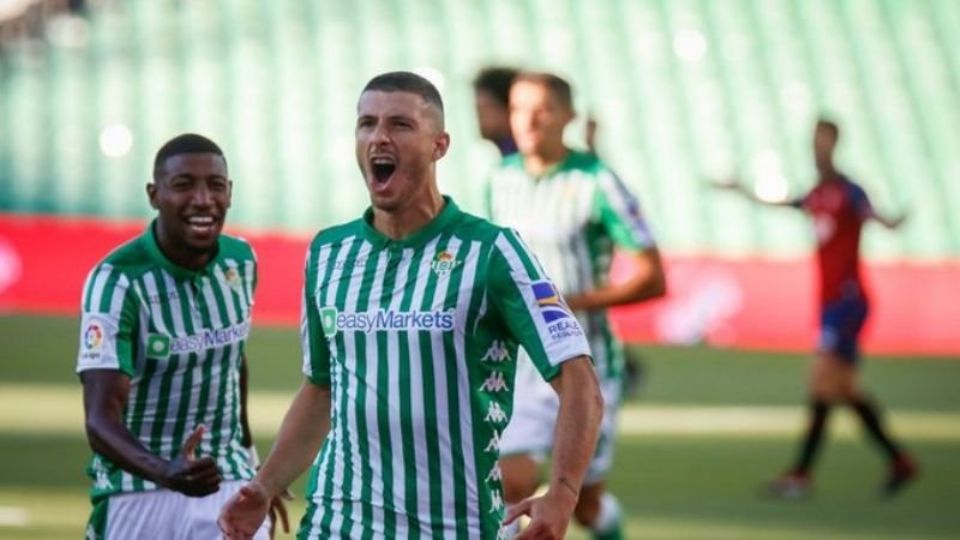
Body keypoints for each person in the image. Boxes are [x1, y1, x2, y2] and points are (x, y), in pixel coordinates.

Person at [218, 71, 604, 540]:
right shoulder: (329, 253)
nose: (379, 137)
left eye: (400, 124)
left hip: (452, 525)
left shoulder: (493, 252)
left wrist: (562, 492)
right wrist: (264, 486)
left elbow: (579, 380)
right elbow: (320, 391)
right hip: (336, 522)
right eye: (367, 124)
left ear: (439, 145)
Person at [77, 133, 288, 539]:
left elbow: (231, 360)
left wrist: (253, 470)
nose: (203, 199)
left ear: (230, 193)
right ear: (154, 195)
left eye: (215, 185)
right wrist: (165, 470)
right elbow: (100, 420)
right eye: (183, 185)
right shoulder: (116, 280)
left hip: (224, 481)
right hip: (136, 490)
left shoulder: (242, 261)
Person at [487, 72, 666, 540]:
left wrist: (567, 303)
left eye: (542, 110)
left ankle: (608, 525)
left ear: (567, 115)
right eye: (518, 109)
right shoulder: (501, 180)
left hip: (587, 367)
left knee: (584, 506)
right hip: (522, 369)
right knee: (510, 485)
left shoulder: (598, 182)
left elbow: (653, 277)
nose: (528, 121)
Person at [716, 119, 918, 498]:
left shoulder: (849, 191)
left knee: (821, 383)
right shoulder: (817, 193)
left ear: (835, 144)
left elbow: (874, 215)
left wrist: (893, 221)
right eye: (813, 141)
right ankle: (899, 461)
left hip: (847, 300)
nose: (816, 148)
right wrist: (741, 190)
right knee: (843, 389)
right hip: (830, 303)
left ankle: (801, 474)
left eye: (822, 141)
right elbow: (787, 203)